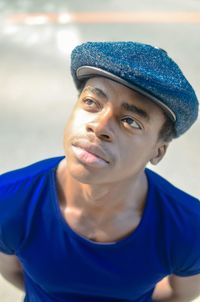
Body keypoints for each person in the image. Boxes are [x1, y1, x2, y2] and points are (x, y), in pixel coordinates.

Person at [0, 41, 200, 302]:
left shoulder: (188, 227)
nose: (99, 126)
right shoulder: (9, 199)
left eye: (131, 121)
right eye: (92, 102)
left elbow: (177, 294)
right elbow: (12, 271)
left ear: (157, 151)